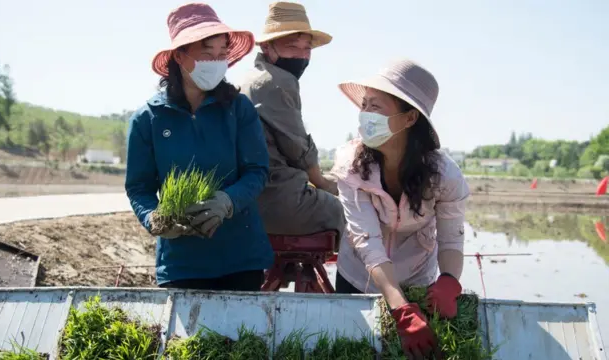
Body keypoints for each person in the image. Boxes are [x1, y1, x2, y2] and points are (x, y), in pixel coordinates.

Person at [124, 3, 274, 292]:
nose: (216, 62)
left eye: (221, 54)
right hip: (182, 261)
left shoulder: (238, 109)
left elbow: (257, 171)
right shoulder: (149, 119)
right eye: (207, 53)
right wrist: (153, 218)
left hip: (241, 257)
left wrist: (227, 201)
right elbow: (139, 188)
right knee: (187, 338)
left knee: (242, 336)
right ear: (179, 56)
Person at [330, 59, 469, 359]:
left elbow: (451, 239)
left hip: (417, 276)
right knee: (354, 350)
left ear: (409, 119)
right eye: (364, 104)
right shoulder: (351, 166)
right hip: (358, 275)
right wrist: (401, 309)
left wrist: (448, 280)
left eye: (376, 107)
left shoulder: (444, 176)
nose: (365, 114)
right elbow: (367, 241)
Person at [239, 2, 345, 242]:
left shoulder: (249, 79)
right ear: (268, 47)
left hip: (250, 197)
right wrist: (323, 183)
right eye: (292, 46)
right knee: (352, 216)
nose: (302, 55)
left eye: (307, 48)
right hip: (277, 197)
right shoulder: (277, 81)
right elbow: (297, 148)